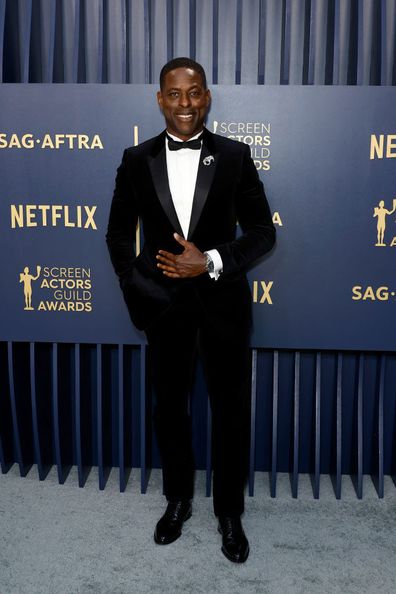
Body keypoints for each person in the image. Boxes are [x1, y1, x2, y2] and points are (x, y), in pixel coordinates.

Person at [106, 57, 275, 563]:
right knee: (170, 412)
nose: (186, 104)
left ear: (207, 96)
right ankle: (177, 500)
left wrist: (212, 261)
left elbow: (264, 232)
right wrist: (140, 289)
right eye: (175, 94)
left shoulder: (235, 155)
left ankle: (229, 513)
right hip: (165, 313)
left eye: (195, 93)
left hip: (223, 309)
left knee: (229, 415)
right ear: (160, 99)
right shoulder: (134, 160)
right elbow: (117, 235)